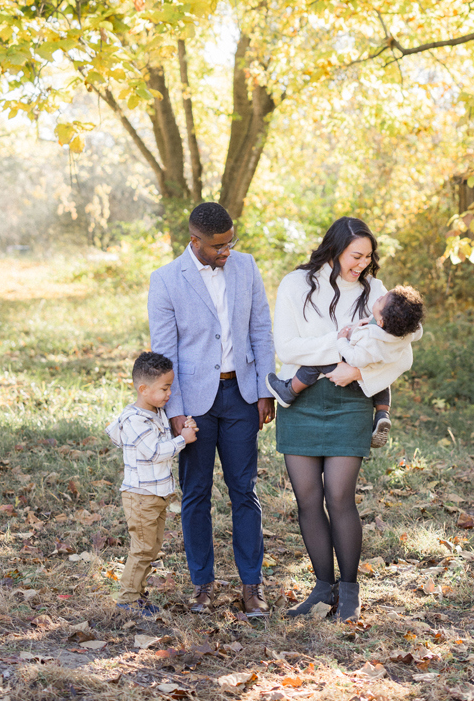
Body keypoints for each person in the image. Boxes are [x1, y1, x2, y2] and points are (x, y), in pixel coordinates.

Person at [148, 202, 276, 616]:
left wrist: (264, 391)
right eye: (219, 246)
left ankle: (251, 585)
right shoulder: (167, 280)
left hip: (240, 395)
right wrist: (176, 413)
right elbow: (165, 352)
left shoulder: (246, 266)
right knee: (196, 493)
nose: (227, 251)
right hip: (194, 405)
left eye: (231, 242)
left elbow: (260, 329)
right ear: (195, 242)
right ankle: (201, 584)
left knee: (245, 491)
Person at [272, 216, 395, 622]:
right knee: (307, 500)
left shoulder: (374, 290)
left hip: (349, 400)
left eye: (368, 257)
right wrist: (339, 342)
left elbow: (400, 348)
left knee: (339, 496)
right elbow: (286, 346)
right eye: (355, 256)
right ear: (335, 248)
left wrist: (359, 370)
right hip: (302, 400)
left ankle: (350, 591)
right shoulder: (295, 284)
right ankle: (322, 590)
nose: (362, 264)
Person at [267, 285, 424, 447]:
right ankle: (382, 413)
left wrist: (341, 340)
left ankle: (289, 391)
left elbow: (356, 359)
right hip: (373, 377)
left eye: (381, 300)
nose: (379, 297)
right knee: (383, 382)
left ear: (381, 321)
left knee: (315, 363)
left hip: (352, 376)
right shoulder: (401, 335)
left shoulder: (371, 337)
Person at [106, 351, 198, 615]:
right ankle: (127, 600)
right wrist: (184, 440)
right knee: (143, 548)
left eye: (170, 387)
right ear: (144, 389)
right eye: (165, 388)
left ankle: (138, 593)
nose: (169, 394)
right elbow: (156, 451)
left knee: (151, 547)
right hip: (141, 495)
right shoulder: (135, 419)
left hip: (156, 494)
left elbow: (162, 438)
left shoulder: (155, 410)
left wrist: (183, 429)